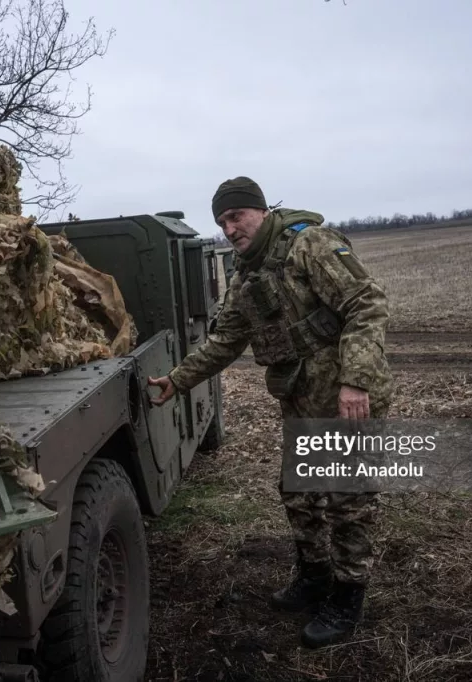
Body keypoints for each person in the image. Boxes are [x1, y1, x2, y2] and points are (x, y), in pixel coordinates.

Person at [147, 176, 394, 649]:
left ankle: (347, 596)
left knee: (348, 500)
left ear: (259, 211)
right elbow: (224, 342)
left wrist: (355, 381)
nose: (230, 228)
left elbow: (367, 303)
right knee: (298, 491)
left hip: (347, 397)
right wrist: (177, 381)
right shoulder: (245, 275)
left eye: (236, 216)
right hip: (301, 397)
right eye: (221, 222)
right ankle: (315, 577)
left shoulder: (309, 245)